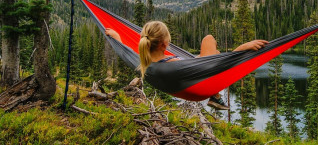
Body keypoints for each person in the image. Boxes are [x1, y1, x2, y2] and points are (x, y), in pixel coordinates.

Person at [105, 21, 268, 110]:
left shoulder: (143, 61)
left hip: (187, 78)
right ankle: (216, 96)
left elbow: (125, 52)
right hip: (199, 88)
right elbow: (218, 67)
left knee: (212, 49)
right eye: (168, 39)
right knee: (209, 39)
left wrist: (117, 37)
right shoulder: (172, 65)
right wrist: (242, 49)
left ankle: (216, 95)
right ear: (164, 44)